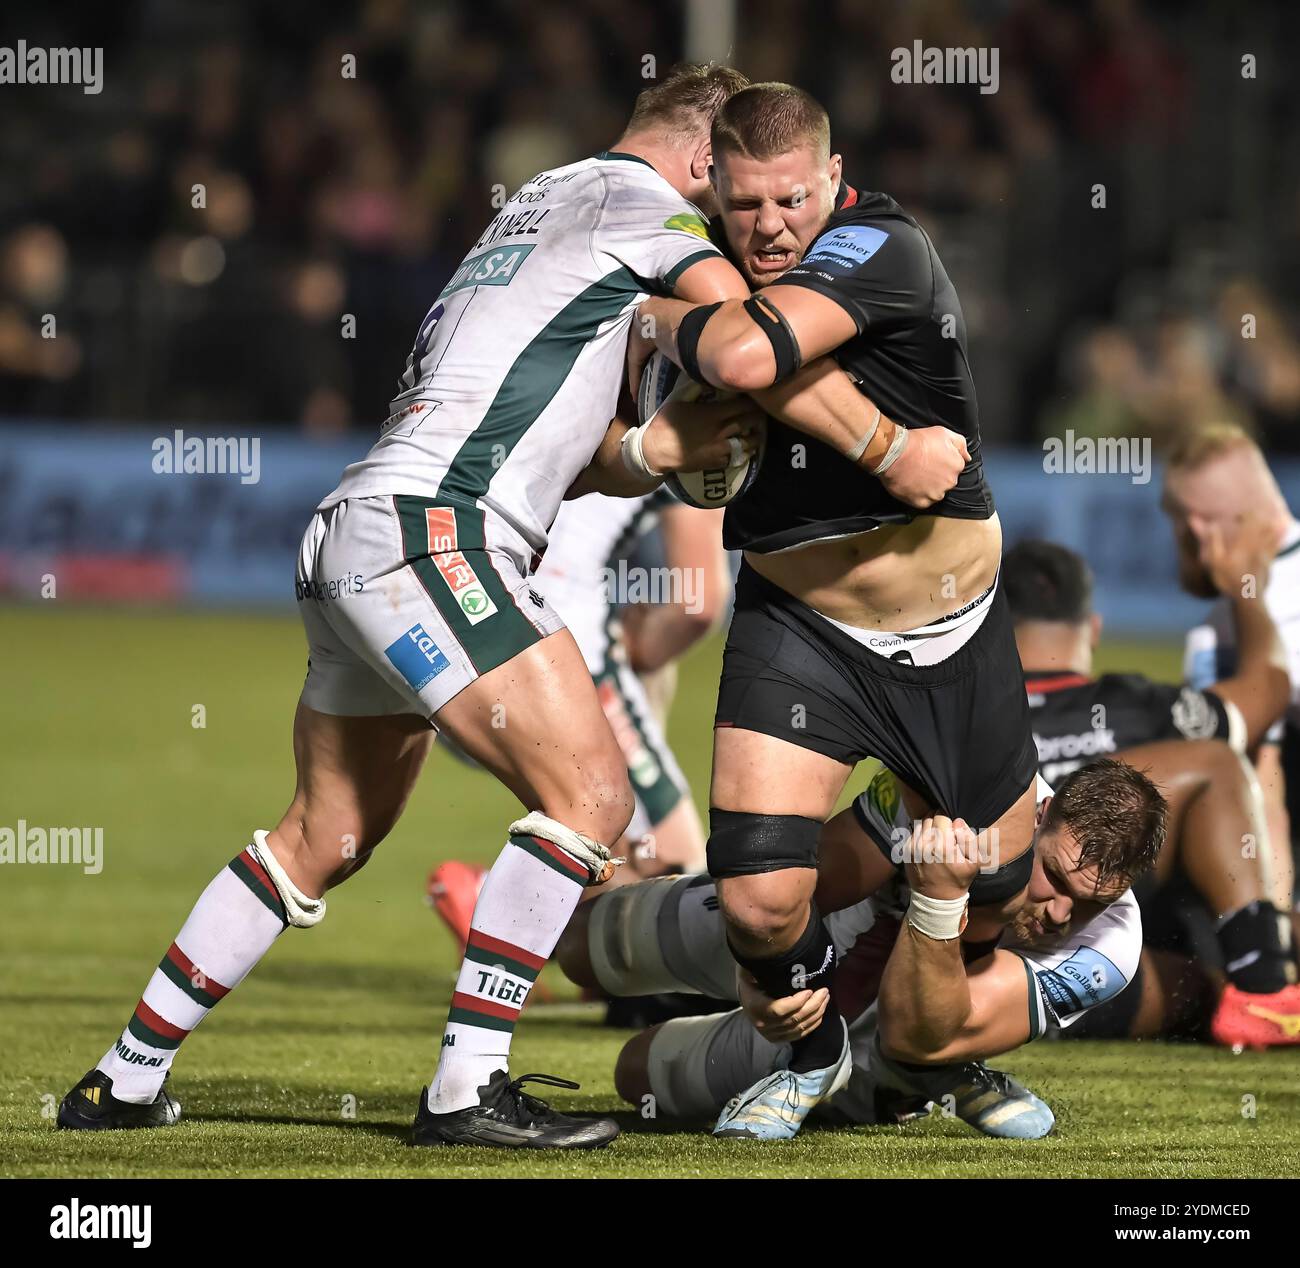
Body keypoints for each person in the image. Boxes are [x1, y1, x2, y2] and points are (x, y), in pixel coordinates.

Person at [56, 63, 765, 1149]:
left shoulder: (540, 203)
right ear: (705, 160)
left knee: (324, 832)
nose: (744, 211)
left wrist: (654, 451)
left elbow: (552, 442)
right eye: (739, 185)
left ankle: (122, 1077)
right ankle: (465, 1086)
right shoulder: (648, 212)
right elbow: (747, 332)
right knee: (590, 795)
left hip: (361, 527)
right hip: (438, 532)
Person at [630, 81, 1039, 1137]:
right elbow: (623, 448)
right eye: (747, 204)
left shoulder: (880, 244)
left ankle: (928, 1061)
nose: (769, 226)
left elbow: (742, 355)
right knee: (761, 904)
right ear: (713, 185)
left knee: (994, 889)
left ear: (832, 178)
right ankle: (812, 1052)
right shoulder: (685, 264)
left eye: (791, 200)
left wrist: (666, 317)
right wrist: (654, 430)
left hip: (953, 629)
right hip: (801, 627)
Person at [557, 759, 1164, 1137]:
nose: (1062, 915)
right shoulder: (955, 793)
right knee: (583, 945)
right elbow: (809, 885)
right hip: (816, 931)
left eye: (1090, 904)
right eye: (1055, 878)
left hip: (891, 1027)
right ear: (1040, 813)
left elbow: (917, 1033)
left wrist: (940, 900)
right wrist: (762, 970)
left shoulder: (1109, 952)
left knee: (635, 1075)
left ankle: (931, 1081)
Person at [1003, 539, 1300, 1046]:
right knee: (1214, 762)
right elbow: (1268, 690)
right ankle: (1262, 985)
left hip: (958, 944)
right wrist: (1246, 590)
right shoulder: (1135, 707)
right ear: (1093, 630)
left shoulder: (972, 711)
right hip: (1092, 972)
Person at [428, 488, 727, 949]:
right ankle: (496, 905)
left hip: (455, 637)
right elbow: (696, 606)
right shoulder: (699, 429)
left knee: (599, 836)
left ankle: (555, 945)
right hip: (565, 653)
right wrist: (638, 648)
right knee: (679, 877)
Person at [1162, 422, 1300, 940]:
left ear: (1197, 529)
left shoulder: (1224, 633)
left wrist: (1276, 937)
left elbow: (1256, 784)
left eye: (1173, 524)